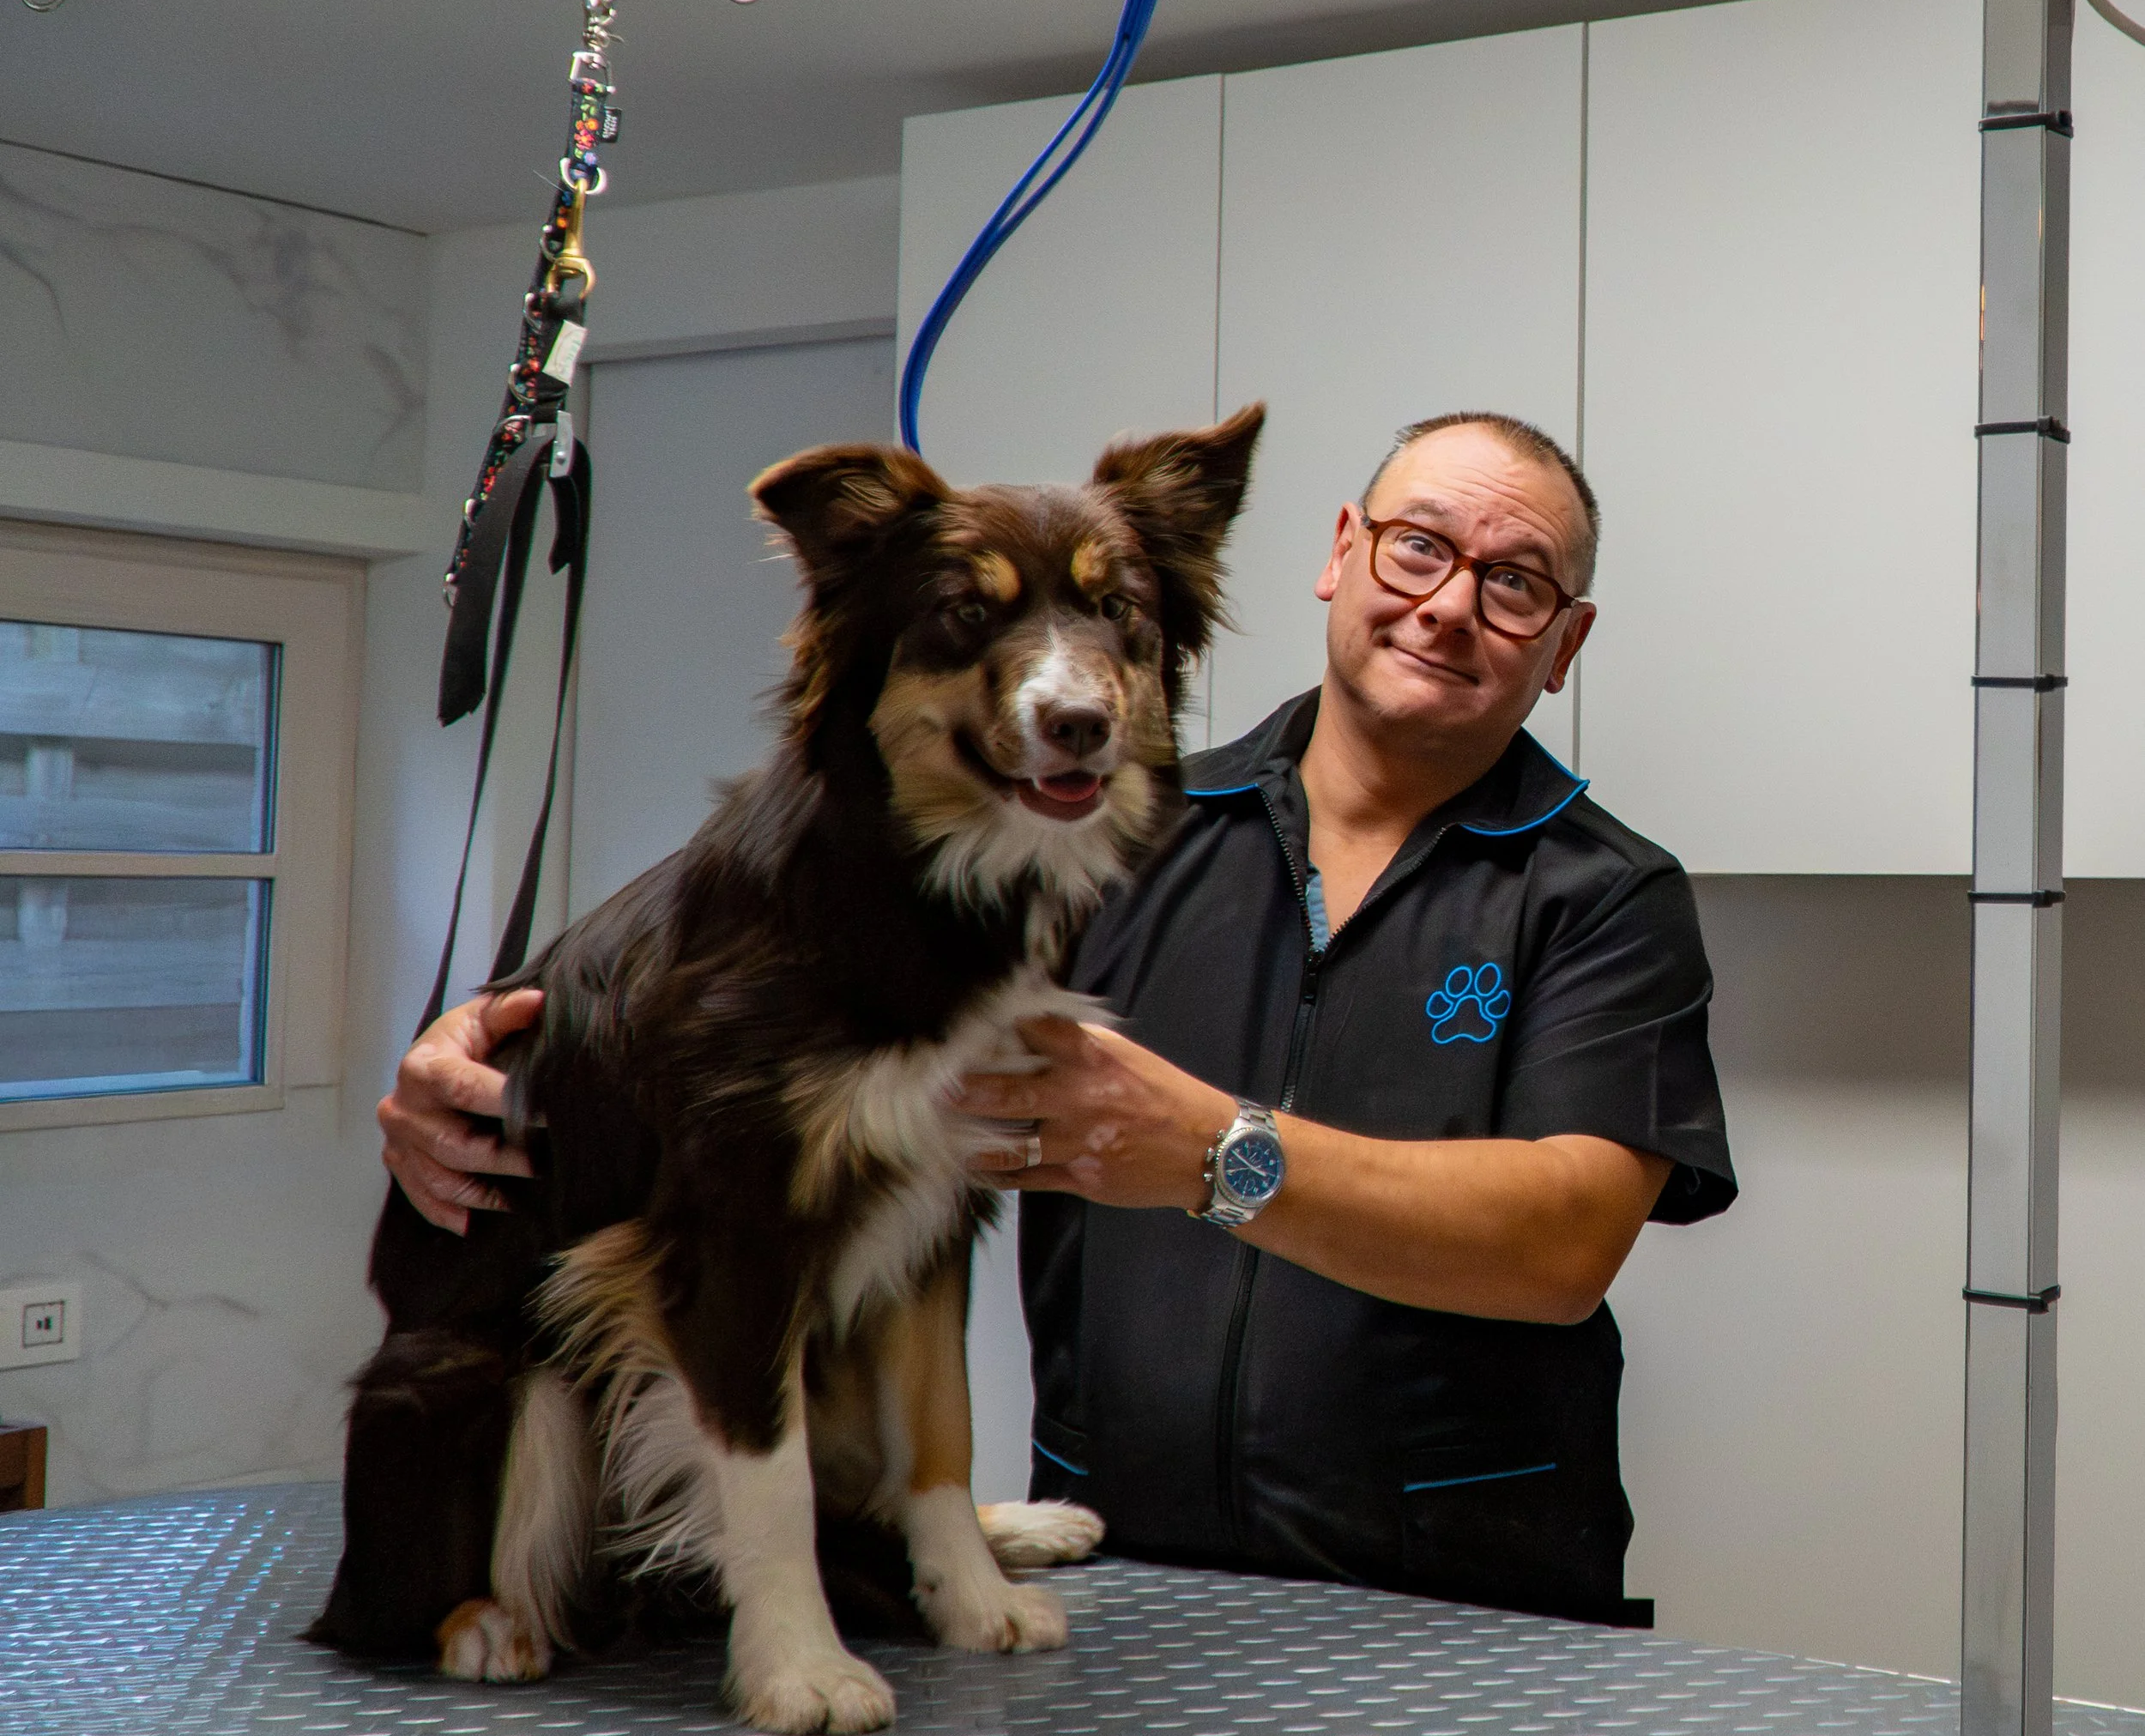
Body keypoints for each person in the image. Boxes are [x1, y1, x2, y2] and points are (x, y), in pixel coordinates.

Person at [380, 410, 1735, 1625]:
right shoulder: (1096, 825)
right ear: (1340, 555)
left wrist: (1214, 1153)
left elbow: (1561, 1244)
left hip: (1467, 1602)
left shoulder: (1604, 895)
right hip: (1131, 1586)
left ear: (1565, 644)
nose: (1448, 606)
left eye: (1516, 584)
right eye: (1417, 548)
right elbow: (746, 943)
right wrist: (491, 1045)